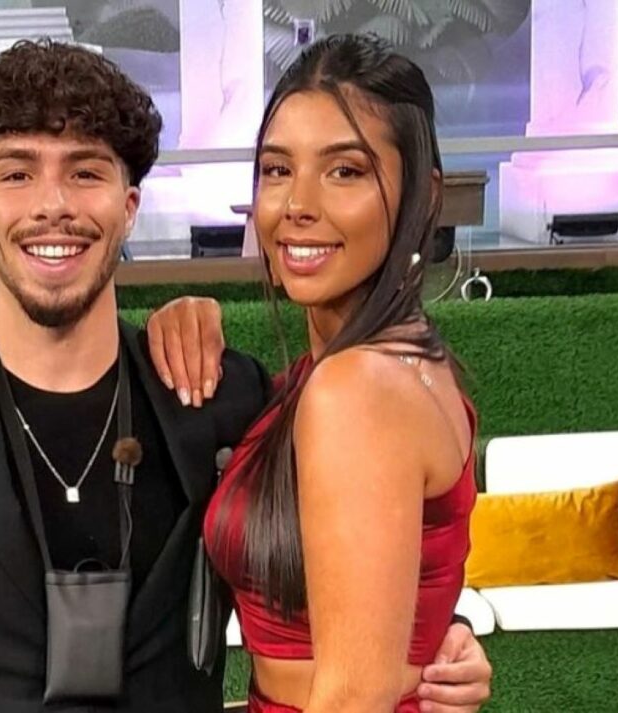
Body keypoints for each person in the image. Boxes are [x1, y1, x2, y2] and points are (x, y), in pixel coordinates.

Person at [0, 39, 489, 713]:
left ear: (128, 207)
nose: (52, 204)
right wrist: (436, 631)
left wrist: (433, 632)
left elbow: (362, 548)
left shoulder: (225, 397)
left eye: (85, 173)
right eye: (16, 174)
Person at [147, 34, 481, 713]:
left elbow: (355, 696)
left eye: (345, 171)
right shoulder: (405, 362)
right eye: (277, 169)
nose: (297, 204)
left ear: (424, 195)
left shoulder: (354, 389)